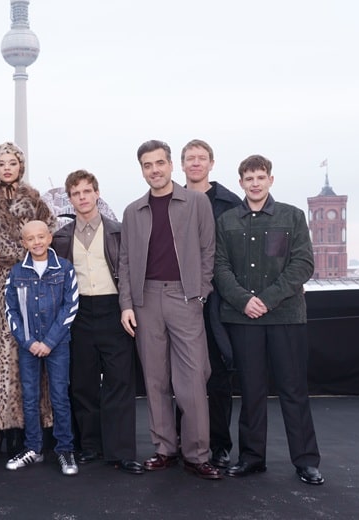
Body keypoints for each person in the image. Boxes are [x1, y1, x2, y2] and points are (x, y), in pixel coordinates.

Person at [214, 154, 324, 485]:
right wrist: (244, 300)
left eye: (260, 177)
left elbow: (303, 264)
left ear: (270, 180)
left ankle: (306, 461)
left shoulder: (292, 216)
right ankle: (251, 457)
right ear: (241, 183)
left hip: (286, 317)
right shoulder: (227, 221)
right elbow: (219, 267)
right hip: (243, 318)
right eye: (249, 179)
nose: (255, 183)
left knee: (293, 390)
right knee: (251, 391)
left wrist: (266, 299)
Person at [118, 140, 221, 480]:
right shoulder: (133, 211)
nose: (155, 170)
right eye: (148, 165)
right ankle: (164, 449)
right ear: (142, 170)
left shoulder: (196, 202)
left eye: (159, 163)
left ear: (171, 165)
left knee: (192, 379)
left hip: (184, 297)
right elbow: (125, 262)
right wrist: (127, 304)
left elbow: (208, 251)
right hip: (145, 300)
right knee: (155, 379)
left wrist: (200, 294)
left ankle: (197, 454)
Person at [0, 142, 56, 460]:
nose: (6, 168)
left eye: (12, 163)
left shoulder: (35, 201)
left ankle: (22, 428)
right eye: (1, 163)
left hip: (28, 282)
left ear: (21, 166)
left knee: (24, 355)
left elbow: (48, 233)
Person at [52, 170, 144, 475]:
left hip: (113, 309)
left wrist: (128, 306)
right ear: (70, 198)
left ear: (97, 193)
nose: (82, 198)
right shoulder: (61, 237)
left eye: (87, 191)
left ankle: (121, 451)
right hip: (79, 313)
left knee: (120, 382)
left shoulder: (118, 231)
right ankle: (90, 446)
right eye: (76, 193)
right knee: (83, 383)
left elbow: (129, 273)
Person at [180, 139, 242, 468]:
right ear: (182, 165)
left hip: (218, 299)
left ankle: (219, 444)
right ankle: (183, 439)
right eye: (190, 158)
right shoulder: (170, 200)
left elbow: (243, 252)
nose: (195, 163)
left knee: (217, 373)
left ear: (211, 163)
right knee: (181, 373)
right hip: (179, 297)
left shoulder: (230, 204)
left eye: (201, 158)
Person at [4, 220, 79, 475]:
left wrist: (49, 342)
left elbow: (71, 306)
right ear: (23, 243)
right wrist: (29, 342)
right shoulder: (16, 272)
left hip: (58, 345)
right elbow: (11, 310)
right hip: (29, 346)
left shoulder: (64, 268)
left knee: (59, 396)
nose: (36, 242)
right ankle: (33, 448)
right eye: (30, 238)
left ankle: (65, 449)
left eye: (40, 237)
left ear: (49, 238)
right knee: (30, 397)